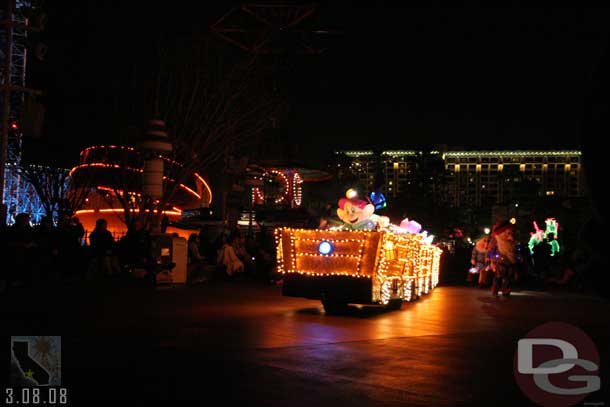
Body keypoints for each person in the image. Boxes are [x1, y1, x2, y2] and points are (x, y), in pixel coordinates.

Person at [487, 220, 520, 296]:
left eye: (511, 233)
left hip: (510, 261)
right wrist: (490, 257)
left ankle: (505, 289)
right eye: (508, 233)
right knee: (498, 277)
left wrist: (518, 257)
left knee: (508, 277)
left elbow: (516, 250)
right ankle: (495, 288)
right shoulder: (496, 240)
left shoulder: (513, 242)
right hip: (498, 261)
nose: (510, 234)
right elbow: (491, 249)